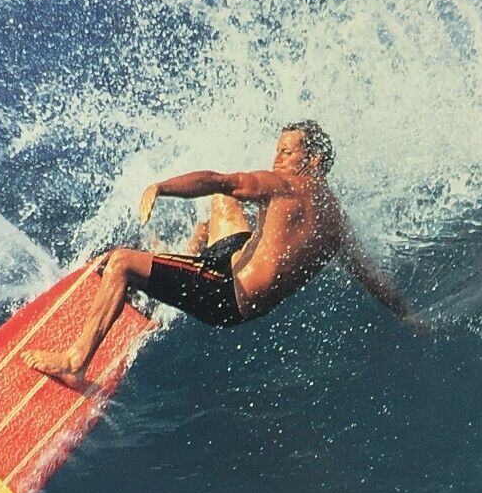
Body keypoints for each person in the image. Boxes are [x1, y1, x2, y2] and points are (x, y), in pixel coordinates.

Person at [22, 120, 425, 385]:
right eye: (278, 150)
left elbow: (219, 179)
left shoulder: (283, 185)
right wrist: (407, 315)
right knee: (221, 206)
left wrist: (161, 187)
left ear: (314, 159)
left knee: (120, 261)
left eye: (287, 152)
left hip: (226, 292)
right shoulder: (336, 221)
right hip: (231, 267)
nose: (277, 159)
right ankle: (171, 267)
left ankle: (76, 362)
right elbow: (371, 277)